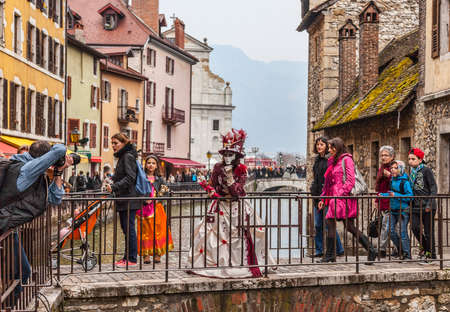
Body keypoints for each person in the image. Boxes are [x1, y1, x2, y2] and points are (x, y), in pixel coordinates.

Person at [189, 129, 276, 278]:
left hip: (237, 206)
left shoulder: (241, 169)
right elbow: (214, 184)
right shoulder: (217, 167)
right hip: (220, 205)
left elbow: (237, 191)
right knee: (211, 234)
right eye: (225, 154)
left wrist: (229, 175)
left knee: (239, 235)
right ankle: (216, 262)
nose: (228, 157)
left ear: (236, 155)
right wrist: (210, 190)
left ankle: (238, 263)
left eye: (231, 154)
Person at [0, 142, 71, 300]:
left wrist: (59, 171)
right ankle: (8, 306)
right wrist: (57, 157)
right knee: (21, 273)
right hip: (5, 228)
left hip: (9, 229)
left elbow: (55, 198)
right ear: (45, 159)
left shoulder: (33, 171)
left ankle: (8, 305)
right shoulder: (26, 170)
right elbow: (59, 149)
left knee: (20, 273)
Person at [318, 137, 376, 264]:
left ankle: (330, 255)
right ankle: (370, 249)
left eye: (331, 147)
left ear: (337, 147)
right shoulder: (332, 161)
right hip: (334, 198)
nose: (329, 150)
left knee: (344, 225)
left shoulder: (346, 159)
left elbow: (350, 180)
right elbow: (327, 183)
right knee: (340, 225)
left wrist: (341, 194)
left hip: (344, 198)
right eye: (329, 148)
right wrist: (323, 197)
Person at [106, 133, 140, 268]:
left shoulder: (127, 156)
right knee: (126, 229)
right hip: (124, 199)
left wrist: (114, 186)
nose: (113, 146)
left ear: (124, 143)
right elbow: (124, 176)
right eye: (112, 143)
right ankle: (127, 257)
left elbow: (130, 178)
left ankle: (131, 259)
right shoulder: (124, 156)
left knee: (129, 229)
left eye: (115, 143)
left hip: (129, 199)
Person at [310, 137, 344, 258]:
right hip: (316, 196)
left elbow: (329, 180)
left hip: (327, 196)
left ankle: (339, 249)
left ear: (326, 146)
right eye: (317, 144)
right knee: (318, 225)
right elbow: (316, 178)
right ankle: (319, 250)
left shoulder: (330, 160)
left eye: (322, 144)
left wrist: (324, 197)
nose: (319, 146)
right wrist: (313, 190)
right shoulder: (317, 160)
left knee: (328, 224)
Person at [136, 155, 174, 264]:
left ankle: (158, 254)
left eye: (153, 163)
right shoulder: (141, 178)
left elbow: (165, 190)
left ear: (156, 165)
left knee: (158, 231)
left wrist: (159, 198)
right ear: (145, 165)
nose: (151, 165)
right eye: (149, 163)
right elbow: (137, 191)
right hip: (143, 209)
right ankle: (146, 255)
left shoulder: (160, 179)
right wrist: (144, 199)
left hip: (157, 208)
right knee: (145, 231)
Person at [408, 148, 437, 265]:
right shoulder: (412, 172)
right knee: (414, 227)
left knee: (429, 231)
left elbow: (433, 187)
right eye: (409, 159)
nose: (410, 161)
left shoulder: (426, 171)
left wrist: (430, 203)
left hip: (427, 205)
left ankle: (432, 254)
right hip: (415, 205)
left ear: (420, 159)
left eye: (413, 159)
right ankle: (425, 248)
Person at [379, 160, 413, 260]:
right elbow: (391, 194)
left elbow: (410, 197)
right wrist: (383, 195)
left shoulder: (405, 182)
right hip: (393, 210)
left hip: (403, 210)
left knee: (402, 232)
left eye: (395, 168)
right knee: (390, 230)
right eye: (392, 168)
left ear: (401, 169)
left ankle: (407, 254)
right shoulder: (392, 180)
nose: (393, 170)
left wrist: (396, 195)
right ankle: (401, 249)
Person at [374, 146, 395, 258]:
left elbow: (399, 182)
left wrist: (390, 176)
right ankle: (399, 249)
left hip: (392, 202)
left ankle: (381, 250)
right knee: (391, 227)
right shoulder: (381, 168)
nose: (383, 157)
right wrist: (377, 199)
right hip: (383, 201)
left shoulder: (394, 167)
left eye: (386, 155)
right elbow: (379, 186)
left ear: (392, 157)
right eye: (382, 155)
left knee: (386, 226)